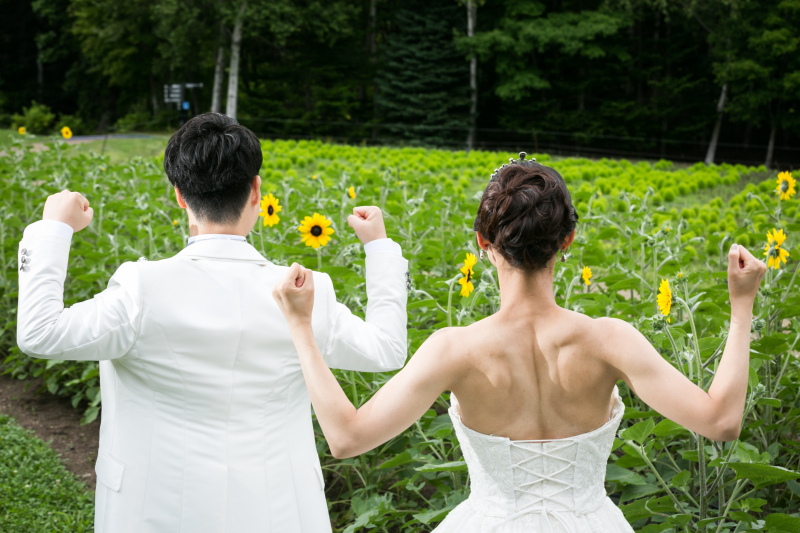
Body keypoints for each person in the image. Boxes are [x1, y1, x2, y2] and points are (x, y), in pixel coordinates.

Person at [272, 154, 766, 532]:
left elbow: (347, 438)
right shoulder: (610, 340)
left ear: (483, 244)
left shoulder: (454, 350)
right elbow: (721, 422)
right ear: (567, 242)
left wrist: (301, 328)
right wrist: (741, 308)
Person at [15, 112, 409, 533]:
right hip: (280, 509)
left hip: (154, 509)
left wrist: (53, 229)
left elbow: (40, 332)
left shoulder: (142, 287)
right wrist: (380, 250)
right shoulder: (306, 291)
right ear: (256, 190)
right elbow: (386, 349)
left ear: (180, 195)